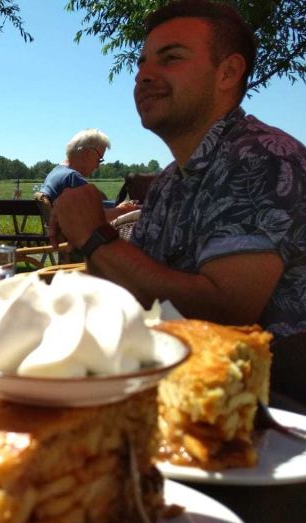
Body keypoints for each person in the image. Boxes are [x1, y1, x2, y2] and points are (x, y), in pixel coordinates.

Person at [49, 2, 305, 347]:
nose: (143, 74)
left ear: (227, 72)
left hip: (267, 389)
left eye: (170, 58)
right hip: (169, 367)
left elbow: (225, 311)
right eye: (142, 63)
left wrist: (96, 235)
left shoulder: (263, 157)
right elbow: (130, 288)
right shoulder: (170, 181)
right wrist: (89, 235)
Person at [40, 129, 138, 221]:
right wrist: (124, 210)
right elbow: (96, 218)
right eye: (99, 160)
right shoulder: (71, 178)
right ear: (88, 154)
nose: (97, 166)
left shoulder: (56, 173)